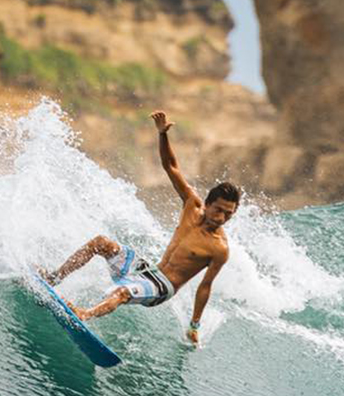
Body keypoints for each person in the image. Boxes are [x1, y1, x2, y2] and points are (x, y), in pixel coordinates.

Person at [41, 109, 239, 346]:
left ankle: (85, 314)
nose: (223, 217)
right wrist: (162, 135)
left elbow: (205, 287)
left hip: (161, 287)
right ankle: (54, 277)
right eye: (219, 209)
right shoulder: (191, 205)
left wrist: (194, 326)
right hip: (147, 270)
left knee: (122, 294)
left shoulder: (219, 248)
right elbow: (171, 167)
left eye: (229, 213)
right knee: (100, 243)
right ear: (206, 204)